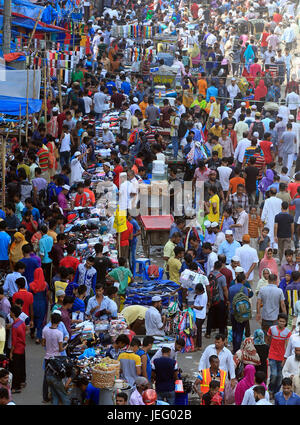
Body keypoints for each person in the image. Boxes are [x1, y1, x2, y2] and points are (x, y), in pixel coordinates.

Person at [266, 313, 291, 398]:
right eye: (280, 321)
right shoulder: (272, 329)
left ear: (285, 322)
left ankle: (276, 393)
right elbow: (268, 340)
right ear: (277, 321)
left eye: (283, 322)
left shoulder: (288, 332)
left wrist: (285, 358)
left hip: (282, 357)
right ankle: (270, 390)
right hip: (272, 355)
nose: (281, 323)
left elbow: (287, 346)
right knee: (274, 374)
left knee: (280, 376)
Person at [228, 273, 252, 353]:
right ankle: (237, 349)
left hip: (232, 312)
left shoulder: (231, 288)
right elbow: (246, 300)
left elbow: (229, 299)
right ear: (243, 280)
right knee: (240, 331)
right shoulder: (244, 289)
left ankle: (234, 347)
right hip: (241, 313)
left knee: (234, 330)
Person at [29, 268, 49, 344]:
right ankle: (38, 337)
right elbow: (47, 295)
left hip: (33, 304)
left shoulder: (31, 285)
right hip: (42, 304)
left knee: (32, 318)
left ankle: (32, 332)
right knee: (41, 320)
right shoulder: (45, 284)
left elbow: (29, 294)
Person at [9, 305, 26, 393]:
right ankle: (20, 383)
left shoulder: (15, 326)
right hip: (22, 347)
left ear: (13, 313)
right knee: (20, 367)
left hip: (17, 349)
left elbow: (14, 341)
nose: (10, 313)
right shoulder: (20, 322)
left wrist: (11, 352)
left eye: (11, 311)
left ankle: (15, 387)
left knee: (15, 368)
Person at [192, 283, 208, 351]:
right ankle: (197, 345)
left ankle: (198, 346)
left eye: (197, 291)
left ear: (201, 291)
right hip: (197, 315)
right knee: (197, 330)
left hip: (200, 316)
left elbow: (201, 307)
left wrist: (193, 306)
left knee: (198, 331)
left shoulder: (203, 297)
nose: (196, 292)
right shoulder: (200, 294)